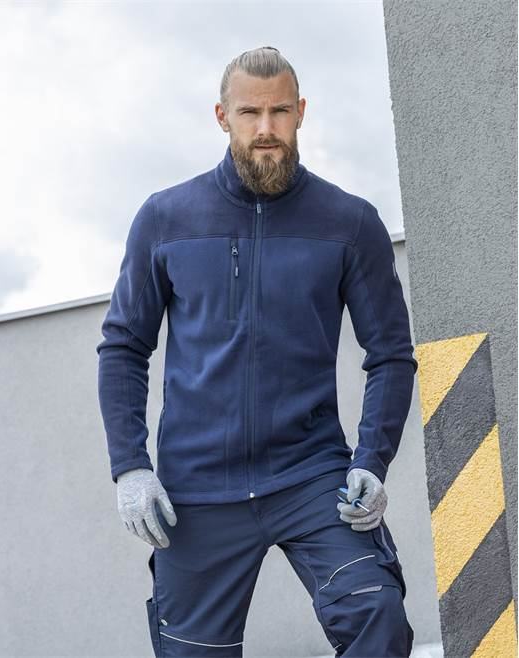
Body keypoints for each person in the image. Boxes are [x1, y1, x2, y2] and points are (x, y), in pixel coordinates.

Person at [96, 46, 418, 657]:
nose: (266, 128)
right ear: (223, 116)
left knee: (376, 613)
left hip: (312, 476)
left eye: (279, 112)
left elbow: (391, 355)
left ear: (301, 112)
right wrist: (131, 466)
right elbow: (123, 347)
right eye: (250, 113)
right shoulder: (165, 219)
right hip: (197, 488)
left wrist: (372, 462)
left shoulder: (349, 224)